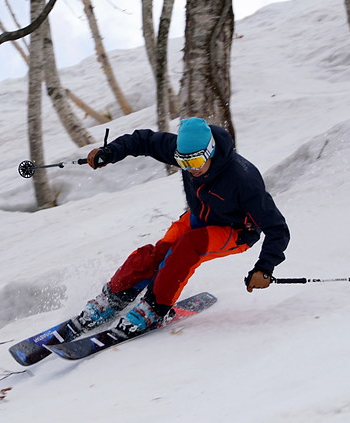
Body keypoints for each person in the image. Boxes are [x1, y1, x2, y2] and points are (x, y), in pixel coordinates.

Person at [77, 117, 290, 335]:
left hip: (237, 230)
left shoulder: (243, 179)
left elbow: (277, 228)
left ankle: (154, 308)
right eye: (183, 163)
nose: (191, 169)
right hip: (200, 216)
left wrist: (264, 268)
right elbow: (144, 140)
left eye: (196, 162)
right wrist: (111, 152)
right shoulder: (185, 152)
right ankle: (114, 297)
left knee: (189, 246)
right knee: (158, 254)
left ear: (210, 151)